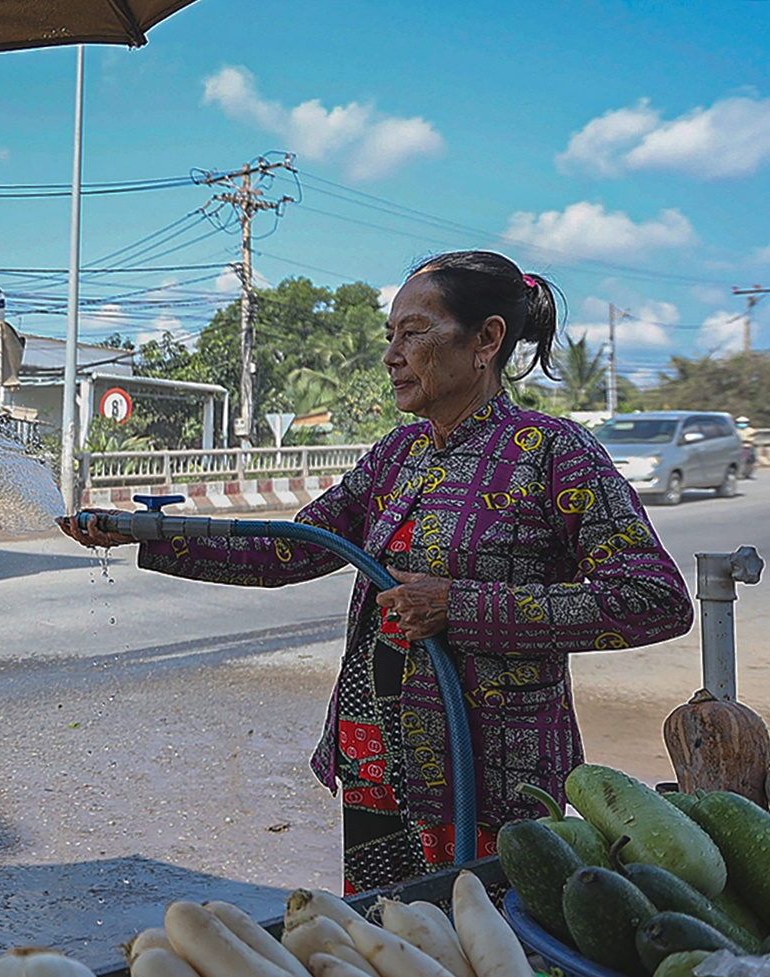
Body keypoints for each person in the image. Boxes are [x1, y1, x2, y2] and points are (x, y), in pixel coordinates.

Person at [60, 251, 693, 892]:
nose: (392, 356)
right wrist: (144, 533)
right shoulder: (396, 454)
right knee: (381, 936)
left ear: (486, 339)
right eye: (391, 335)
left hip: (491, 777)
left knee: (481, 938)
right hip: (375, 760)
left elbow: (654, 599)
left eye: (413, 333)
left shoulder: (553, 451)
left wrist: (460, 606)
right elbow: (290, 549)